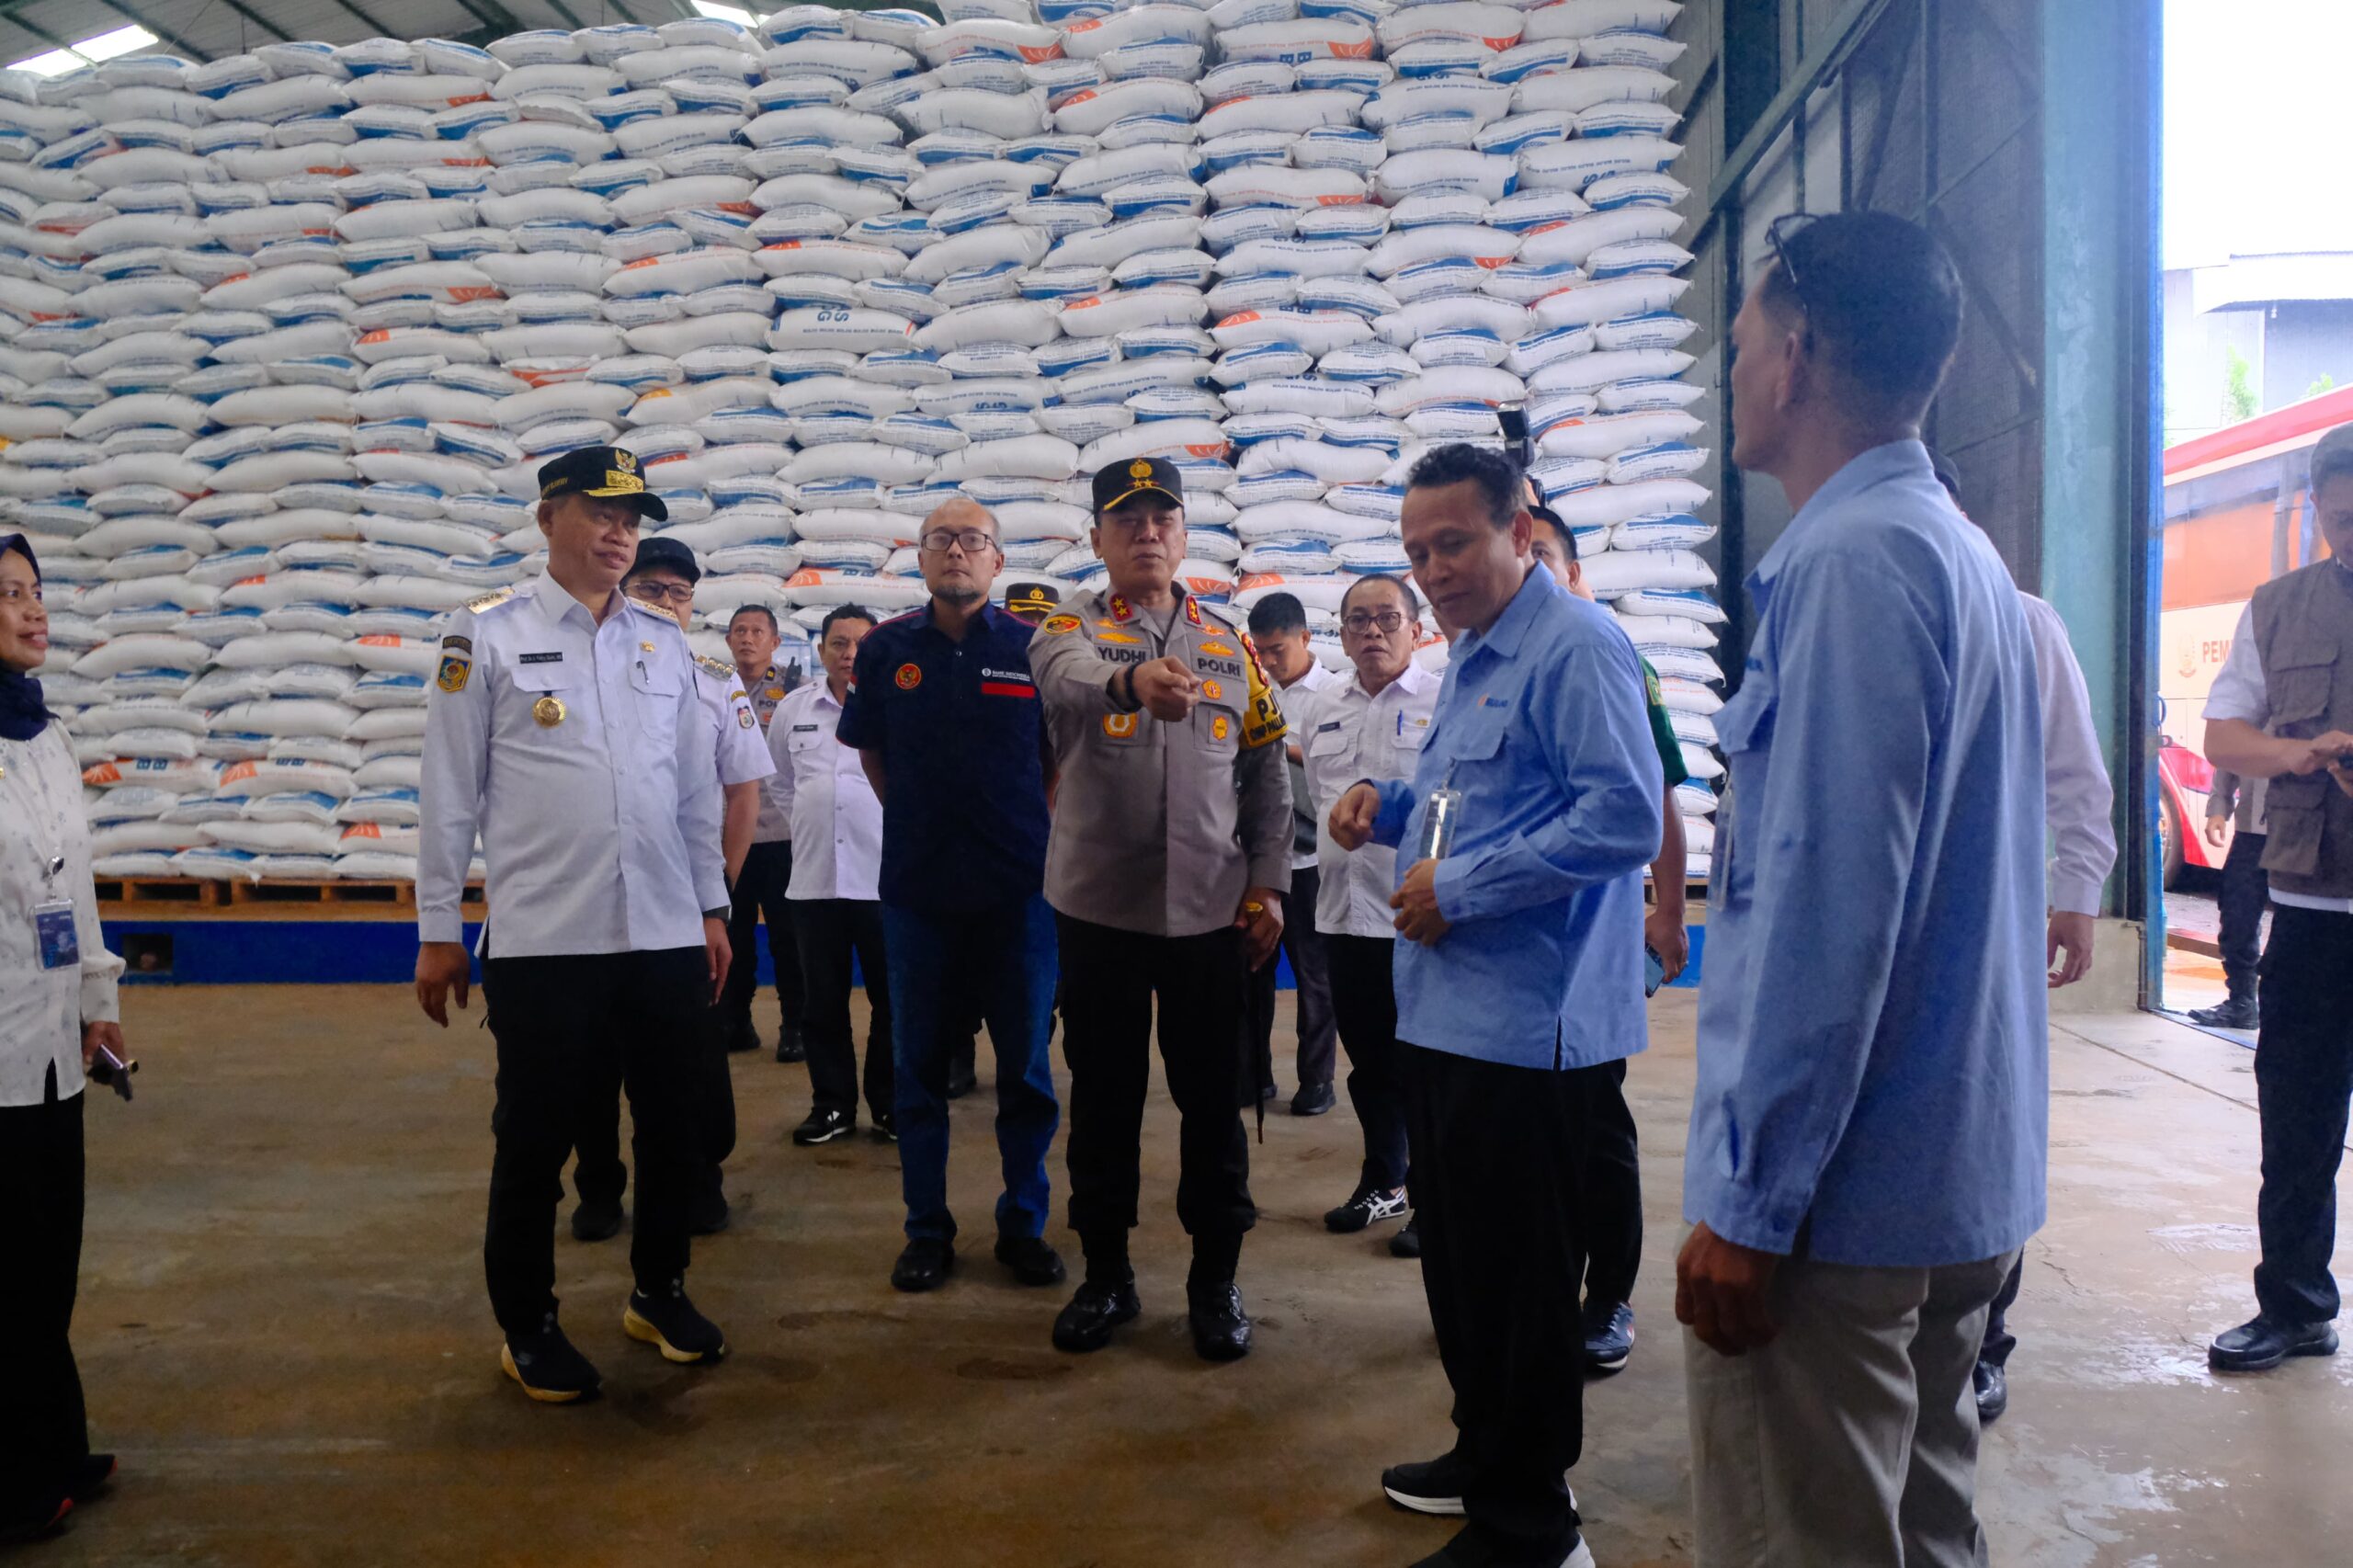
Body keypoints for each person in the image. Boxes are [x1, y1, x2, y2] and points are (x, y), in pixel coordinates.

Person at [1675, 211, 2046, 1566]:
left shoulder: (1849, 564)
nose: (1730, 373)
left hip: (1836, 1212)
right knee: (1927, 1526)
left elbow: (1829, 916)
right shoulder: (1958, 553)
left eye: (1738, 345)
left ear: (1796, 357)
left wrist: (1752, 1203)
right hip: (1951, 1177)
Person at [1328, 442, 1660, 1568]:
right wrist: (1385, 805)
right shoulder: (1471, 652)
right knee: (1465, 1271)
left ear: (1520, 530)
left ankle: (1533, 1526)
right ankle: (1486, 1457)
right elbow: (1468, 803)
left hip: (1531, 1029)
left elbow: (1623, 817)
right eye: (1417, 551)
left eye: (1454, 543)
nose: (1433, 570)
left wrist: (1459, 887)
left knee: (1521, 1284)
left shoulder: (1577, 646)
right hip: (1447, 1013)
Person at [416, 447, 733, 1403]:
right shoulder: (487, 634)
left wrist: (711, 906)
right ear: (548, 515)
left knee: (675, 1128)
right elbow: (448, 790)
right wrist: (438, 925)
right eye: (601, 512)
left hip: (664, 930)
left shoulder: (663, 641)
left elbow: (693, 791)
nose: (619, 533)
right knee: (536, 1141)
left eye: (631, 520)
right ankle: (529, 1326)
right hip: (548, 940)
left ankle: (659, 1290)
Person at [1029, 456, 1292, 1362]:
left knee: (1213, 1105)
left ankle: (1214, 1280)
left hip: (1212, 917)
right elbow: (1063, 678)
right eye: (1127, 519)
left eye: (1162, 518)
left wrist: (1269, 883)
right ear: (1098, 539)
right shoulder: (1069, 627)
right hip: (1100, 915)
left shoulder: (1229, 644)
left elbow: (1266, 776)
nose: (1146, 532)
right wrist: (1131, 683)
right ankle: (1106, 1274)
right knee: (1104, 1101)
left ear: (1182, 537)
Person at [1931, 452, 2120, 1424]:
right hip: (1905, 933)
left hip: (1997, 925)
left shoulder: (2025, 621)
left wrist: (2077, 892)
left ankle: (1985, 1341)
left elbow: (2077, 774)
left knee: (1991, 1120)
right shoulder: (1860, 611)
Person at [836, 499, 1064, 1294]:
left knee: (1025, 1072)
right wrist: (918, 819)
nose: (957, 552)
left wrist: (1025, 826)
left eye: (973, 541)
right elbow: (870, 751)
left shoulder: (1035, 646)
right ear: (921, 558)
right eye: (942, 541)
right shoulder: (886, 649)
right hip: (918, 892)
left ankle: (1023, 1224)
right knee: (918, 1070)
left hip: (1019, 893)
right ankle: (926, 1230)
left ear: (997, 560)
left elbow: (1055, 758)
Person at [2200, 418, 2353, 1374]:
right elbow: (2223, 736)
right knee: (2296, 1120)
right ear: (2320, 508)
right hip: (2313, 911)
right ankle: (2295, 1304)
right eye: (2342, 517)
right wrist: (2299, 753)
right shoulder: (2278, 607)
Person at [570, 538, 774, 1242]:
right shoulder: (581, 670)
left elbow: (740, 793)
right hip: (592, 896)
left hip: (686, 902)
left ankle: (698, 1178)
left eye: (679, 593)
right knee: (592, 1054)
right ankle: (598, 1185)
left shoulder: (713, 681)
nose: (666, 603)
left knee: (690, 1054)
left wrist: (718, 892)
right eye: (650, 589)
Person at [1526, 499, 1690, 1374]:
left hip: (1592, 938)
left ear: (1575, 571)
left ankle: (1609, 1296)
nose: (1528, 575)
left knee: (1593, 1121)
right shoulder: (1484, 661)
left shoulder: (1609, 655)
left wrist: (1668, 909)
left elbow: (1654, 800)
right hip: (1514, 951)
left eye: (1543, 559)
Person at [0, 533, 127, 1540]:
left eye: (35, 590)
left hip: (50, 1046)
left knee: (48, 1254)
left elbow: (72, 884)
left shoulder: (46, 735)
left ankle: (52, 1439)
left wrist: (98, 997)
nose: (34, 609)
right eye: (9, 594)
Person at [1290, 574, 1438, 1250]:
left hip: (1415, 920)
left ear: (1416, 629)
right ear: (1342, 635)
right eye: (1358, 621)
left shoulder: (1442, 702)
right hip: (1342, 916)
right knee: (1369, 1064)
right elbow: (1315, 800)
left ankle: (1435, 1199)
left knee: (1425, 1068)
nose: (1372, 631)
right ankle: (1385, 1181)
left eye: (1387, 618)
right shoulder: (1323, 706)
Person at [769, 605, 894, 1146]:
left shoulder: (895, 707)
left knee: (893, 1002)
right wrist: (816, 816)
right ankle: (832, 1106)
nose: (850, 654)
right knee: (821, 1004)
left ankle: (890, 1105)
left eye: (861, 644)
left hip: (883, 881)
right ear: (821, 651)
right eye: (839, 644)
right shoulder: (793, 709)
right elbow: (779, 782)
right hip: (815, 880)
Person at [1242, 592, 1341, 1114]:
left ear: (1305, 637)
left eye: (1277, 650)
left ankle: (1317, 1080)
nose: (1269, 661)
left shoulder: (1335, 694)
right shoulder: (1251, 688)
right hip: (1258, 858)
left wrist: (1279, 748)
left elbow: (1338, 770)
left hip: (1310, 861)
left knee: (1313, 974)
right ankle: (1254, 1076)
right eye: (1260, 652)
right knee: (1252, 969)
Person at [719, 604, 810, 1062]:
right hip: (730, 837)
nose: (747, 638)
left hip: (781, 834)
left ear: (775, 642)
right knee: (732, 935)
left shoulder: (796, 690)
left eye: (757, 631)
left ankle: (796, 1025)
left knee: (787, 937)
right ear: (728, 640)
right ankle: (736, 1021)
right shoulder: (715, 687)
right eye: (739, 630)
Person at [2188, 767, 2266, 1031]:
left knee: (2297, 921)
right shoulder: (2243, 730)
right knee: (2237, 912)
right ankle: (2242, 1001)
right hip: (2250, 832)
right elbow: (2229, 758)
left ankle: (2294, 1003)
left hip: (2303, 830)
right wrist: (2218, 809)